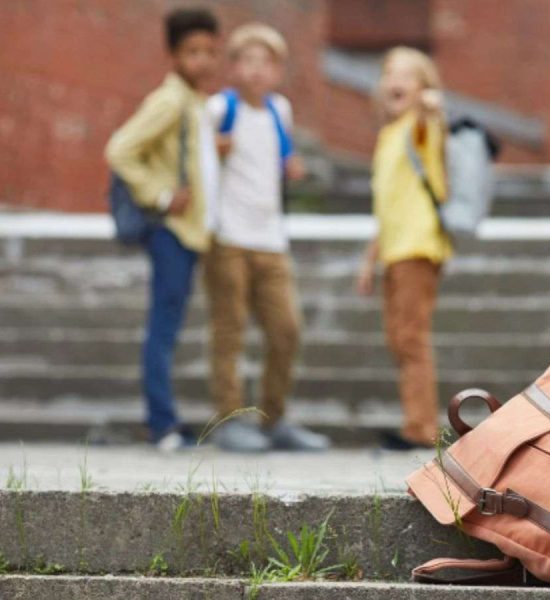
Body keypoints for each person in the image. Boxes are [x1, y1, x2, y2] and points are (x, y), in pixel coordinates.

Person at [202, 23, 328, 452]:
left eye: (266, 62)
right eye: (247, 61)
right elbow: (199, 165)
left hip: (271, 239)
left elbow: (279, 155)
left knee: (286, 329)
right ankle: (230, 419)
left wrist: (292, 166)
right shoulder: (219, 109)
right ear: (233, 67)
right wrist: (211, 153)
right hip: (228, 237)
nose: (256, 71)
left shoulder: (281, 110)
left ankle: (275, 419)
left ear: (277, 71)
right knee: (229, 330)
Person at [105, 7, 221, 451]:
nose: (204, 61)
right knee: (163, 327)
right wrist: (160, 194)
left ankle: (165, 420)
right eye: (193, 51)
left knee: (168, 324)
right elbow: (120, 149)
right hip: (171, 232)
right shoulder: (170, 100)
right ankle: (162, 425)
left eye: (211, 52)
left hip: (191, 233)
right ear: (173, 54)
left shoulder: (193, 101)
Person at [356, 47, 450, 451]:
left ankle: (421, 428)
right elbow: (387, 204)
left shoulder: (419, 127)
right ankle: (416, 421)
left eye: (407, 75)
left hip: (418, 246)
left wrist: (431, 106)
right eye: (389, 73)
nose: (395, 81)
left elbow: (435, 122)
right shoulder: (388, 135)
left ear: (422, 86)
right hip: (394, 249)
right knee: (399, 338)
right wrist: (369, 260)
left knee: (411, 337)